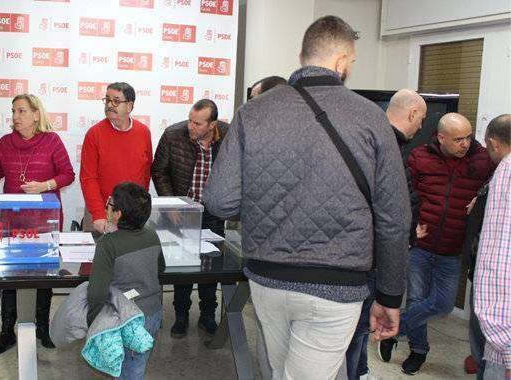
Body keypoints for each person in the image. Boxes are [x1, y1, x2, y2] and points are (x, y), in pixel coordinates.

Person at [204, 15, 410, 379]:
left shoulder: (252, 113)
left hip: (267, 279)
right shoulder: (371, 118)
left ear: (301, 56)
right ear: (343, 61)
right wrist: (390, 296)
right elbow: (393, 217)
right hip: (338, 286)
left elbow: (220, 200)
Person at [379, 112, 495, 375]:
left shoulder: (483, 159)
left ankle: (392, 331)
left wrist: (482, 193)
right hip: (421, 245)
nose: (465, 143)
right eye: (458, 139)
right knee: (417, 298)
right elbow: (403, 193)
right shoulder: (419, 156)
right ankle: (418, 350)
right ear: (441, 137)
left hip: (453, 250)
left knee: (442, 303)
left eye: (468, 137)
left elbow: (503, 177)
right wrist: (411, 225)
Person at [0, 93, 75, 355]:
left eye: (22, 111)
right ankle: (7, 331)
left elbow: (68, 174)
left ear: (36, 114)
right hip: (12, 219)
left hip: (44, 220)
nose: (15, 116)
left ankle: (43, 328)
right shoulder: (6, 142)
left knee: (45, 271)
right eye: (14, 111)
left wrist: (44, 186)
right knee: (8, 272)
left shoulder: (52, 141)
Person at [342, 89, 426, 380]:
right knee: (357, 330)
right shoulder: (389, 145)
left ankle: (362, 372)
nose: (421, 127)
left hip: (365, 253)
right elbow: (389, 208)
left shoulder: (370, 138)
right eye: (422, 119)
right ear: (413, 113)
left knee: (362, 328)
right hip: (373, 256)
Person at [151, 99, 228, 338]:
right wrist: (172, 202)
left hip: (213, 212)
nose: (191, 127)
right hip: (181, 212)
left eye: (197, 123)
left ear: (212, 124)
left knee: (211, 267)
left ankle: (207, 315)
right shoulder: (173, 135)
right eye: (190, 120)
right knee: (181, 267)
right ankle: (181, 315)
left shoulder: (228, 135)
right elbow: (159, 170)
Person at [87, 182, 166, 379]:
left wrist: (94, 321)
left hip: (125, 318)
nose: (107, 206)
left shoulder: (107, 244)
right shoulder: (152, 234)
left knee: (127, 371)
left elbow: (97, 292)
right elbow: (160, 268)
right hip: (152, 313)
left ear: (118, 214)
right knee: (136, 364)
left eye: (110, 203)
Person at [466, 114, 510, 379]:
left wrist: (506, 348)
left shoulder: (506, 174)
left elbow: (500, 261)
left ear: (493, 143)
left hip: (504, 338)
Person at [80, 82, 153, 234]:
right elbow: (88, 178)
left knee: (131, 257)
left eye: (116, 101)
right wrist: (99, 214)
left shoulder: (144, 132)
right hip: (102, 214)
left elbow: (145, 174)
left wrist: (139, 209)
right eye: (107, 100)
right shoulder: (94, 134)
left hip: (132, 216)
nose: (110, 105)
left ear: (129, 106)